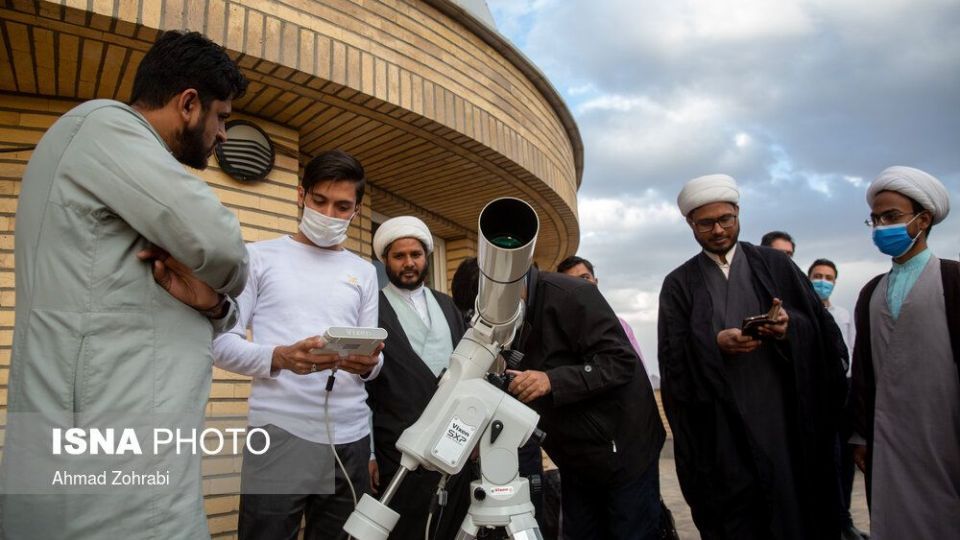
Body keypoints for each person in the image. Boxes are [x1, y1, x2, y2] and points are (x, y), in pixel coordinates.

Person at [0, 31, 249, 539]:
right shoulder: (104, 127)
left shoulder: (115, 158)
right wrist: (230, 279)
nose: (224, 134)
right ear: (188, 104)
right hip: (111, 471)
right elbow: (224, 248)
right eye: (222, 117)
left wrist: (215, 305)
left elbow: (191, 287)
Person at [658, 174, 847, 540]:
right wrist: (714, 344)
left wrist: (788, 329)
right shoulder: (679, 283)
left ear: (738, 213)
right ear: (690, 223)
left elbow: (820, 330)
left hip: (784, 425)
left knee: (794, 514)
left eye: (725, 219)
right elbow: (673, 358)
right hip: (722, 433)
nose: (718, 230)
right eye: (706, 223)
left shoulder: (775, 264)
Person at [212, 150, 383, 540]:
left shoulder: (364, 272)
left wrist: (369, 365)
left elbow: (373, 360)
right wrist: (279, 357)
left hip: (350, 437)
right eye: (319, 200)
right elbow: (221, 343)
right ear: (300, 194)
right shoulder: (258, 257)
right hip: (279, 432)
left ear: (357, 211)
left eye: (342, 207)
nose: (328, 213)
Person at [508, 265, 666, 540]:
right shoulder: (515, 318)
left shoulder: (571, 294)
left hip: (623, 451)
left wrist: (552, 380)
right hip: (577, 457)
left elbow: (619, 361)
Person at [849, 166, 960, 540]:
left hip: (944, 432)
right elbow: (863, 369)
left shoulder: (953, 280)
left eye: (891, 217)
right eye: (876, 219)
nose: (881, 226)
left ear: (922, 220)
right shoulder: (872, 291)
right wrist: (860, 434)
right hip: (889, 435)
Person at [365, 216, 471, 539]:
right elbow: (359, 386)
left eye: (416, 254)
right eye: (399, 256)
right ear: (385, 261)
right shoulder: (371, 308)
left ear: (427, 257)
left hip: (452, 444)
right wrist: (369, 452)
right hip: (396, 449)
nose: (409, 263)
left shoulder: (448, 305)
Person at [808, 259, 865, 540]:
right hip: (814, 394)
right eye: (818, 276)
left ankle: (845, 520)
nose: (823, 281)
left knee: (844, 458)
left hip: (843, 392)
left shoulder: (842, 314)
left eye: (828, 277)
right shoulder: (802, 312)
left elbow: (853, 352)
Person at [557, 255, 660, 388]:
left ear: (596, 282)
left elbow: (639, 369)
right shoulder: (559, 331)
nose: (581, 284)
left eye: (585, 277)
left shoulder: (621, 325)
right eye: (572, 281)